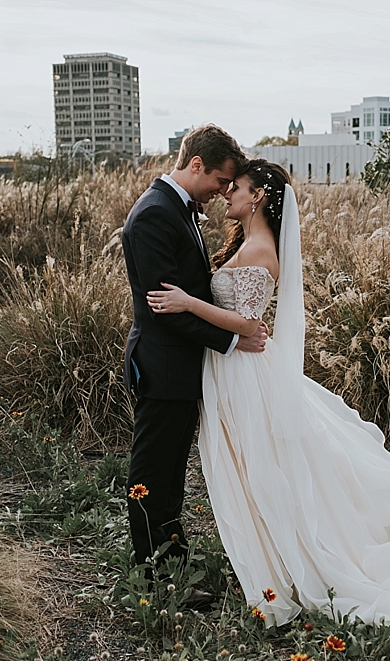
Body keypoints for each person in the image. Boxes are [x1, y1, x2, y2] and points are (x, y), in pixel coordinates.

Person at [146, 159, 390, 656]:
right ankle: (271, 557)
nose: (228, 193)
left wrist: (189, 303)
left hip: (246, 375)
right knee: (254, 467)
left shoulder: (259, 250)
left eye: (238, 188)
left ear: (259, 199)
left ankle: (294, 562)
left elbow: (249, 324)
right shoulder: (245, 243)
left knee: (267, 469)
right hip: (234, 371)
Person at [121, 125, 268, 609]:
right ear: (197, 165)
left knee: (170, 478)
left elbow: (191, 297)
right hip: (162, 365)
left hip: (182, 369)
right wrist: (233, 336)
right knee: (150, 475)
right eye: (222, 181)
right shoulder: (153, 216)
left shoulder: (177, 210)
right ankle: (154, 581)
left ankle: (175, 566)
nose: (224, 192)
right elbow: (169, 308)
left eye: (232, 187)